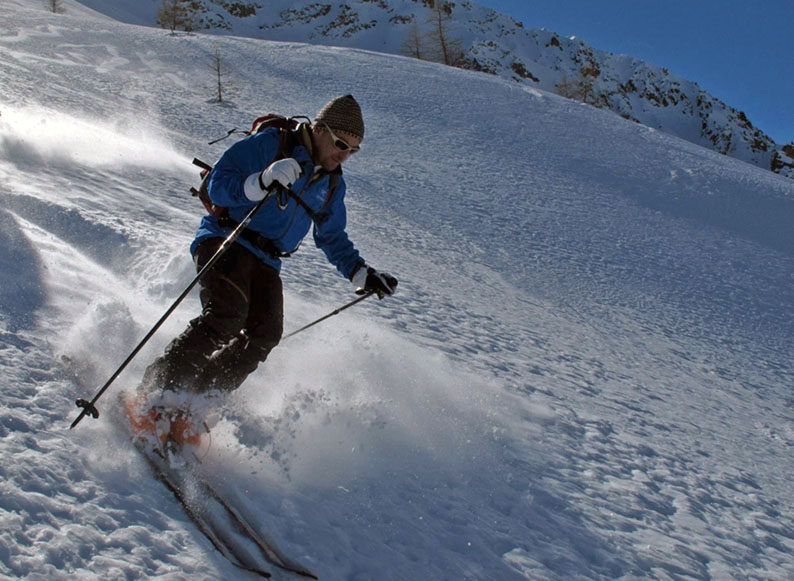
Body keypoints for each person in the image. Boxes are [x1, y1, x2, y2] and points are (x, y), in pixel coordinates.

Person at [130, 95, 397, 444]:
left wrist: (361, 274)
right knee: (226, 316)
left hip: (267, 260)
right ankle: (156, 392)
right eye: (340, 144)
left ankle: (192, 402)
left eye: (353, 150)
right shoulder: (271, 145)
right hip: (228, 238)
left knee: (264, 335)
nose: (344, 155)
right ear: (318, 130)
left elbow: (332, 237)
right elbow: (218, 185)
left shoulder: (331, 183)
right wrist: (260, 181)